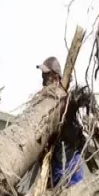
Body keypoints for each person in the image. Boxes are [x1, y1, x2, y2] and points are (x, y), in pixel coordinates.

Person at [39, 56, 86, 187]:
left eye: (46, 76)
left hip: (69, 164)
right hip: (56, 165)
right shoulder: (46, 102)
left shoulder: (64, 102)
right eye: (43, 76)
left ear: (56, 78)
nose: (43, 81)